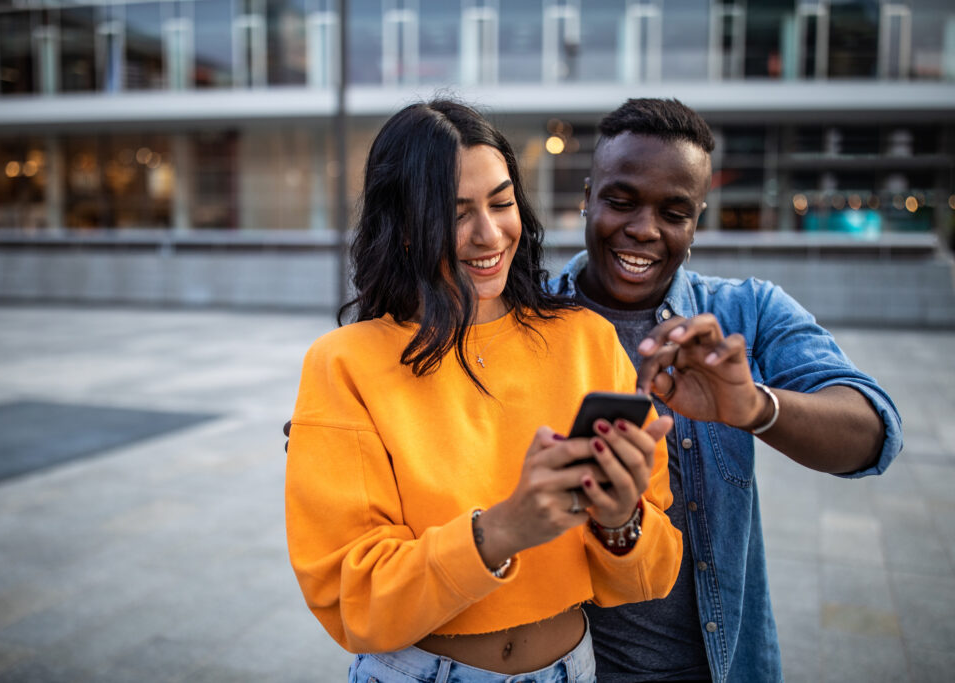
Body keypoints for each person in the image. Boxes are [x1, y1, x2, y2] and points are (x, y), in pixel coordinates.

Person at [284, 100, 684, 683]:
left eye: (502, 202)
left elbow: (652, 576)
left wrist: (621, 520)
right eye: (456, 213)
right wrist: (500, 532)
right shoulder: (345, 363)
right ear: (402, 227)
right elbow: (354, 599)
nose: (489, 233)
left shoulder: (587, 341)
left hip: (573, 668)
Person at [550, 98, 903, 683]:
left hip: (718, 667)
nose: (643, 229)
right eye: (620, 200)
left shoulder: (747, 309)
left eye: (674, 211)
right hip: (569, 668)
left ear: (697, 221)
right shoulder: (523, 315)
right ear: (587, 195)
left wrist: (754, 407)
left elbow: (874, 433)